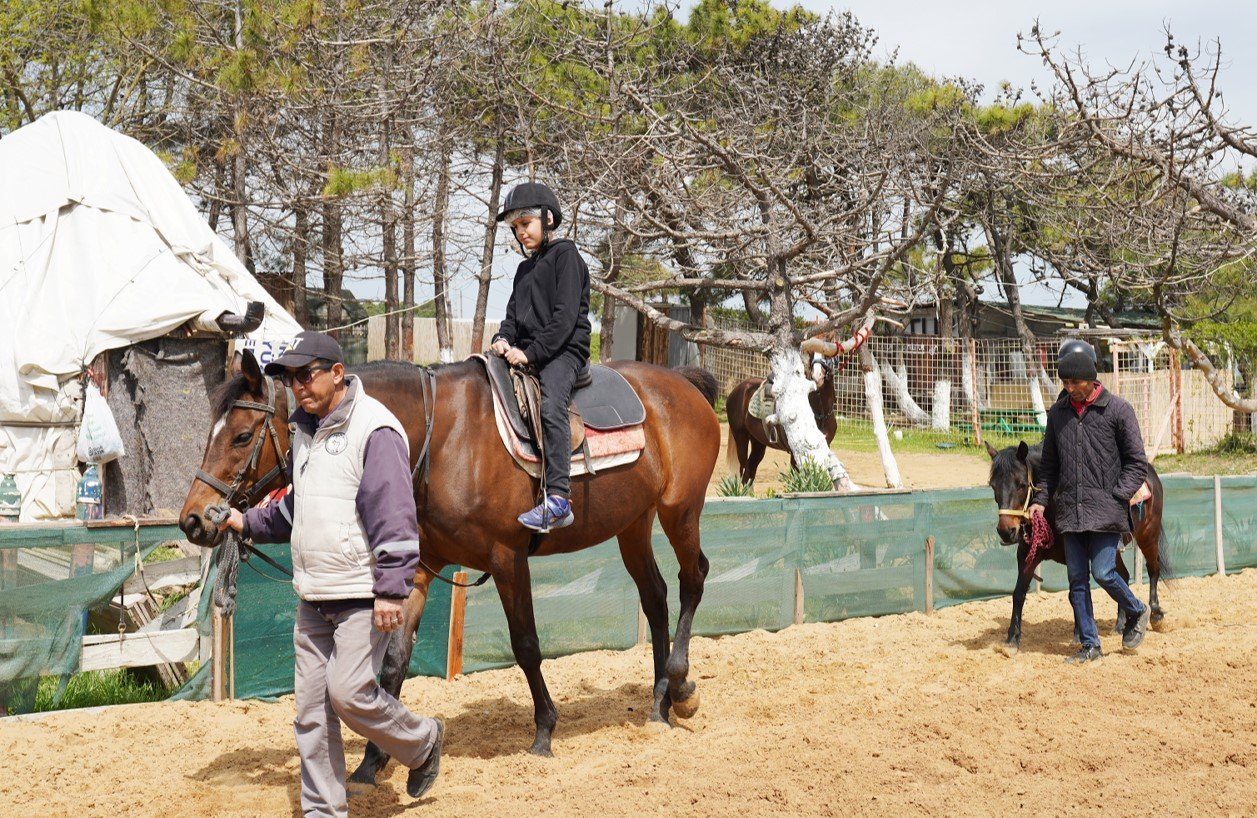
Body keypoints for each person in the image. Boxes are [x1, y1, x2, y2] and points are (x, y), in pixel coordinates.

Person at [223, 330, 443, 817]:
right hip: (315, 594)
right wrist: (246, 522)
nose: (297, 386)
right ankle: (325, 810)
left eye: (306, 374)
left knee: (350, 694)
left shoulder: (375, 430)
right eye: (290, 377)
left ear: (338, 373)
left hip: (363, 595)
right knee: (312, 715)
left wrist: (391, 591)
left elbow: (396, 516)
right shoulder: (306, 431)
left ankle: (423, 739)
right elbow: (299, 508)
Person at [1029, 339, 1152, 664]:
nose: (1070, 389)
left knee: (1103, 572)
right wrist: (1041, 499)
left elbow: (1137, 462)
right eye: (1065, 383)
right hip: (1070, 511)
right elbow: (1051, 465)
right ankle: (1090, 644)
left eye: (1075, 382)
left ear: (1091, 379)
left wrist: (1117, 495)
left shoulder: (1118, 410)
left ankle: (1138, 609)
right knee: (1076, 581)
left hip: (1106, 510)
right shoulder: (1058, 414)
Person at [489, 181, 592, 531]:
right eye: (516, 228)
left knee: (551, 406)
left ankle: (560, 498)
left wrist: (530, 353)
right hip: (529, 352)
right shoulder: (524, 270)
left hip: (563, 351)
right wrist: (503, 339)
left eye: (526, 224)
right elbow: (513, 317)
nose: (521, 233)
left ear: (548, 219)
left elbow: (564, 320)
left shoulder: (567, 257)